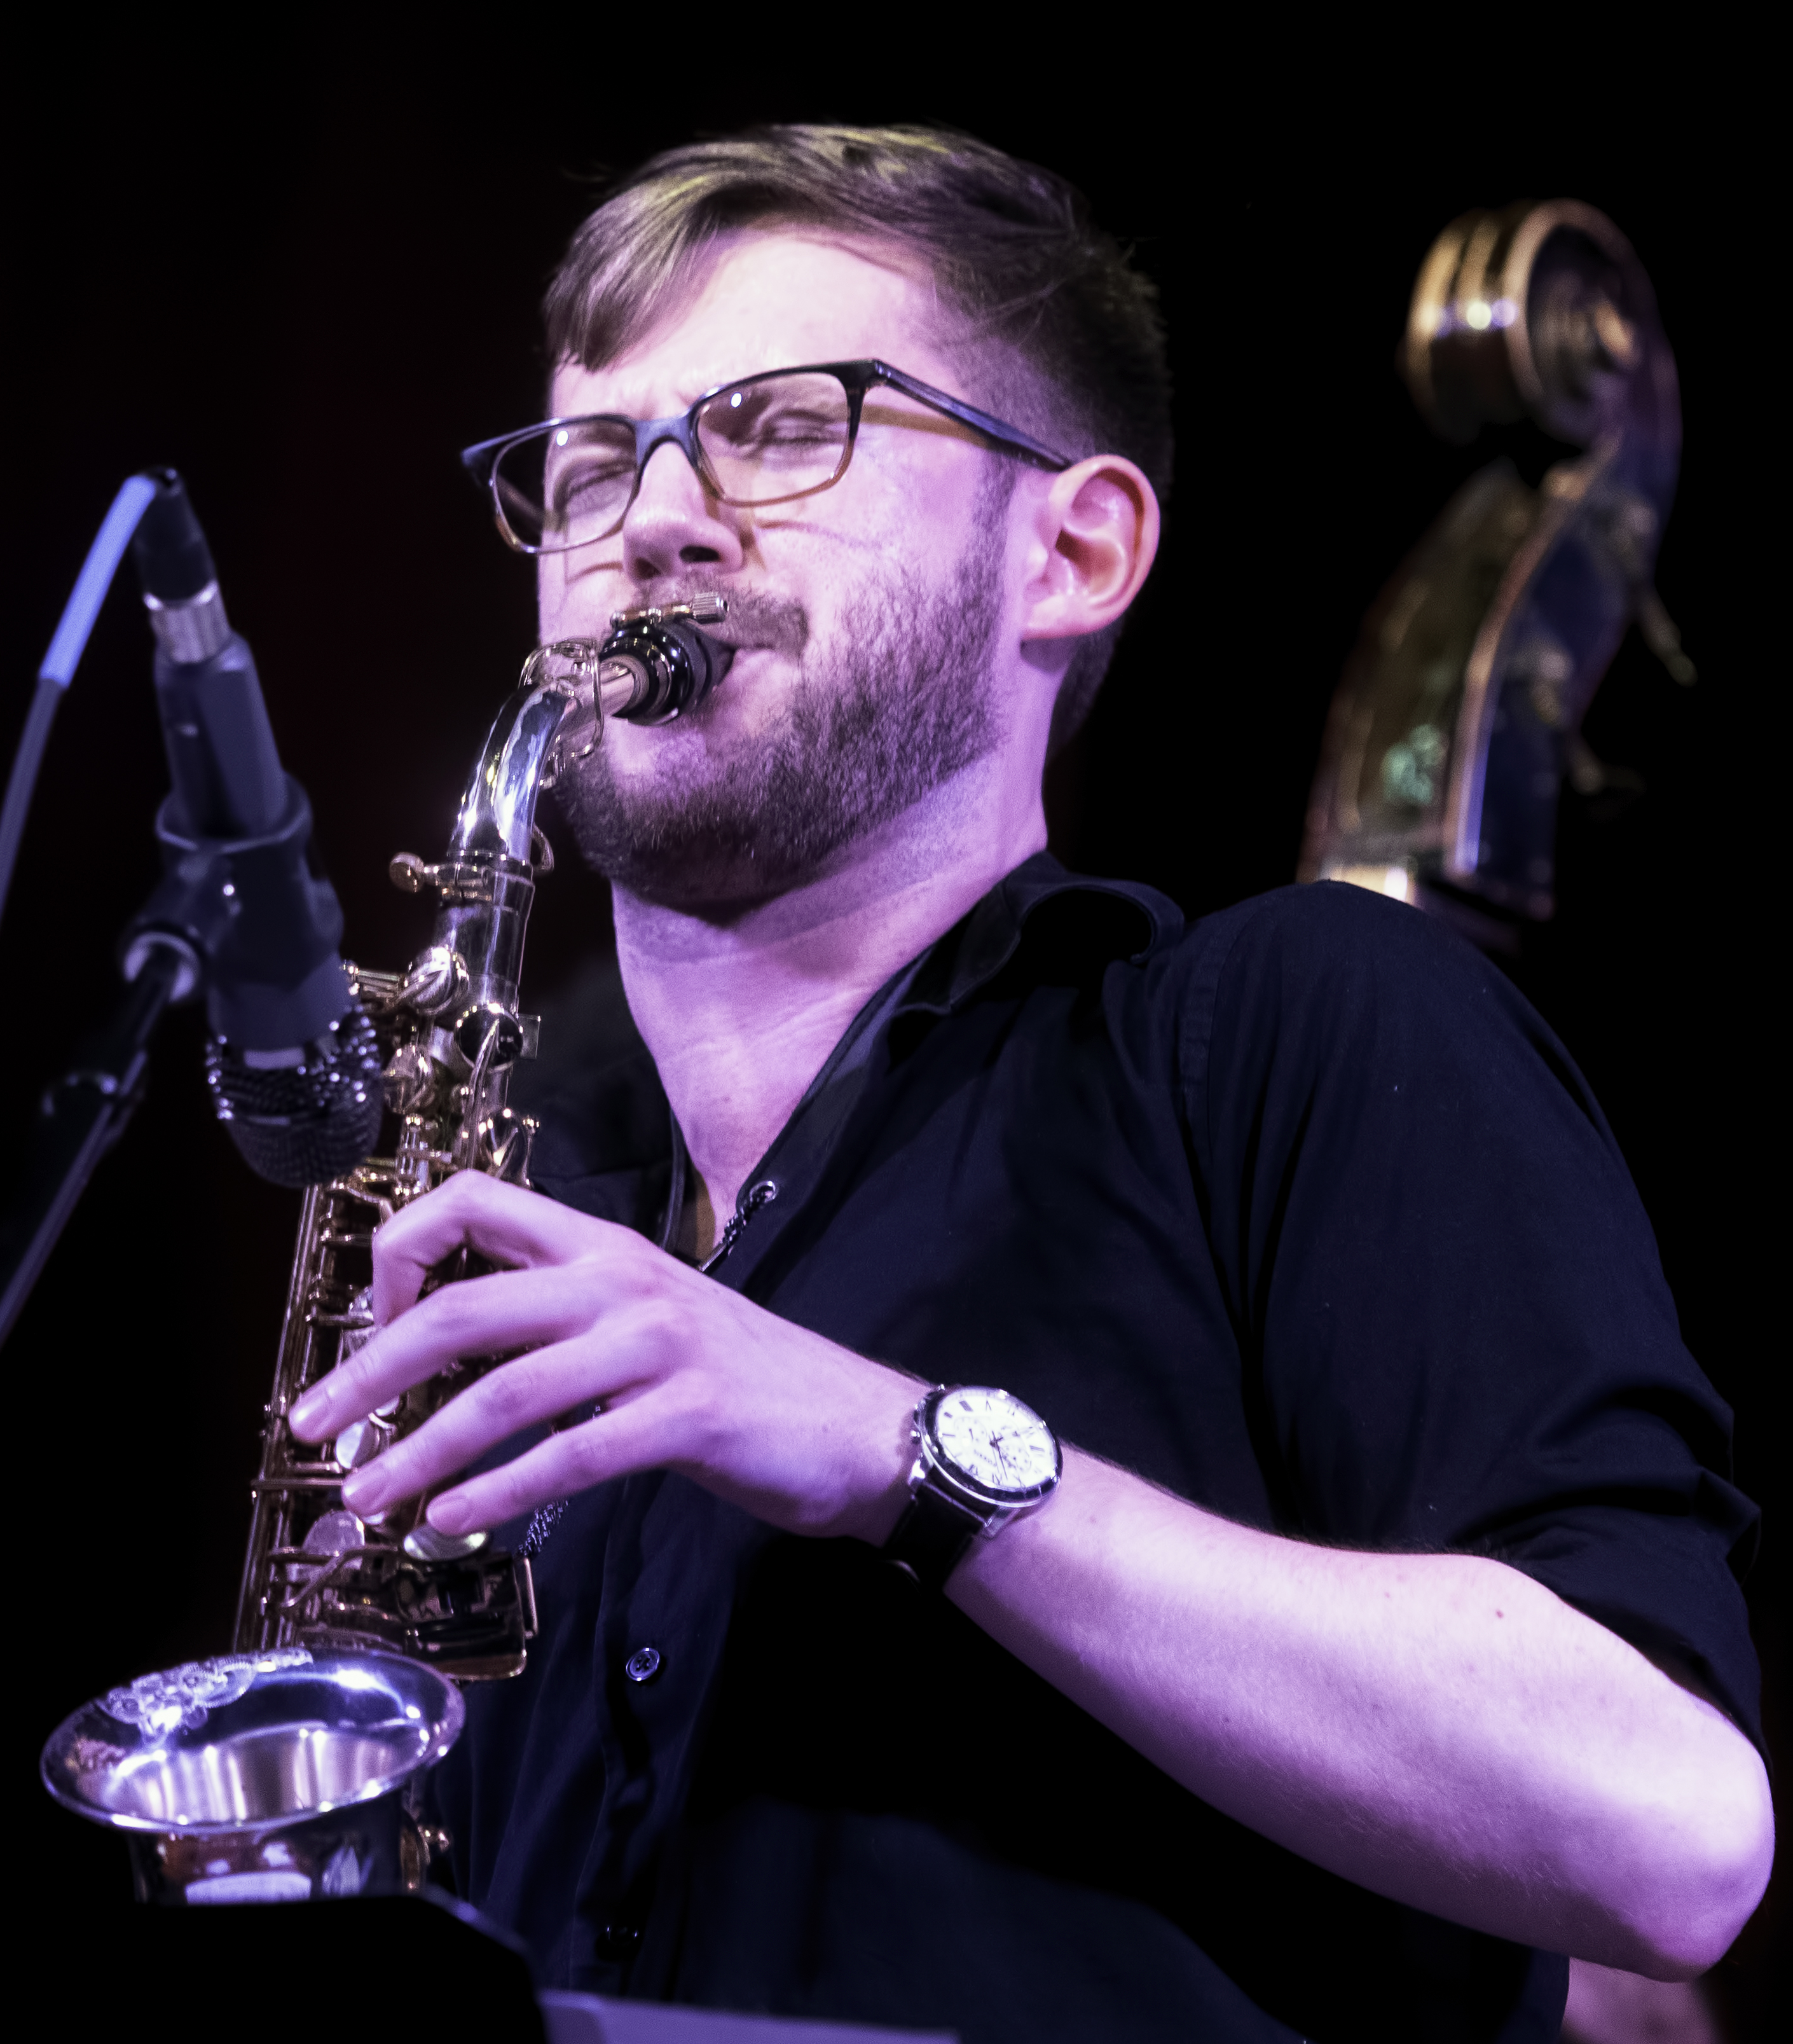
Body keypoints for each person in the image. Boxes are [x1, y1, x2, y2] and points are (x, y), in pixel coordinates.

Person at [287, 126, 1771, 2043]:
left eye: (781, 424)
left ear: (1073, 550)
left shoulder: (1288, 1027)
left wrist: (901, 1456)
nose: (651, 521)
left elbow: (1668, 1830)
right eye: (592, 463)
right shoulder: (533, 1222)